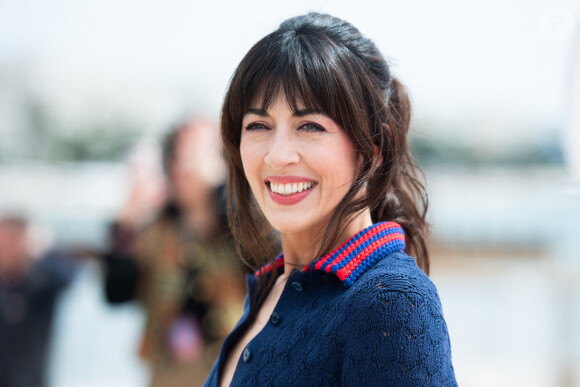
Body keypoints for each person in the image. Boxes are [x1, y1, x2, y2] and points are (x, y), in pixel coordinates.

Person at [203, 12, 457, 386]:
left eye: (310, 126)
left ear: (371, 153)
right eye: (258, 125)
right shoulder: (271, 289)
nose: (277, 155)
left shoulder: (392, 302)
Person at [103, 118, 246, 387]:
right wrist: (125, 224)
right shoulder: (155, 230)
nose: (184, 164)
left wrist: (216, 188)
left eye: (197, 153)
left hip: (230, 372)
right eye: (178, 155)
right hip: (169, 374)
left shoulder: (241, 227)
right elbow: (117, 292)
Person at [0, 214, 77, 387]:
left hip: (30, 379)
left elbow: (70, 275)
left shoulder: (42, 281)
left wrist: (43, 250)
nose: (7, 249)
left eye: (13, 240)